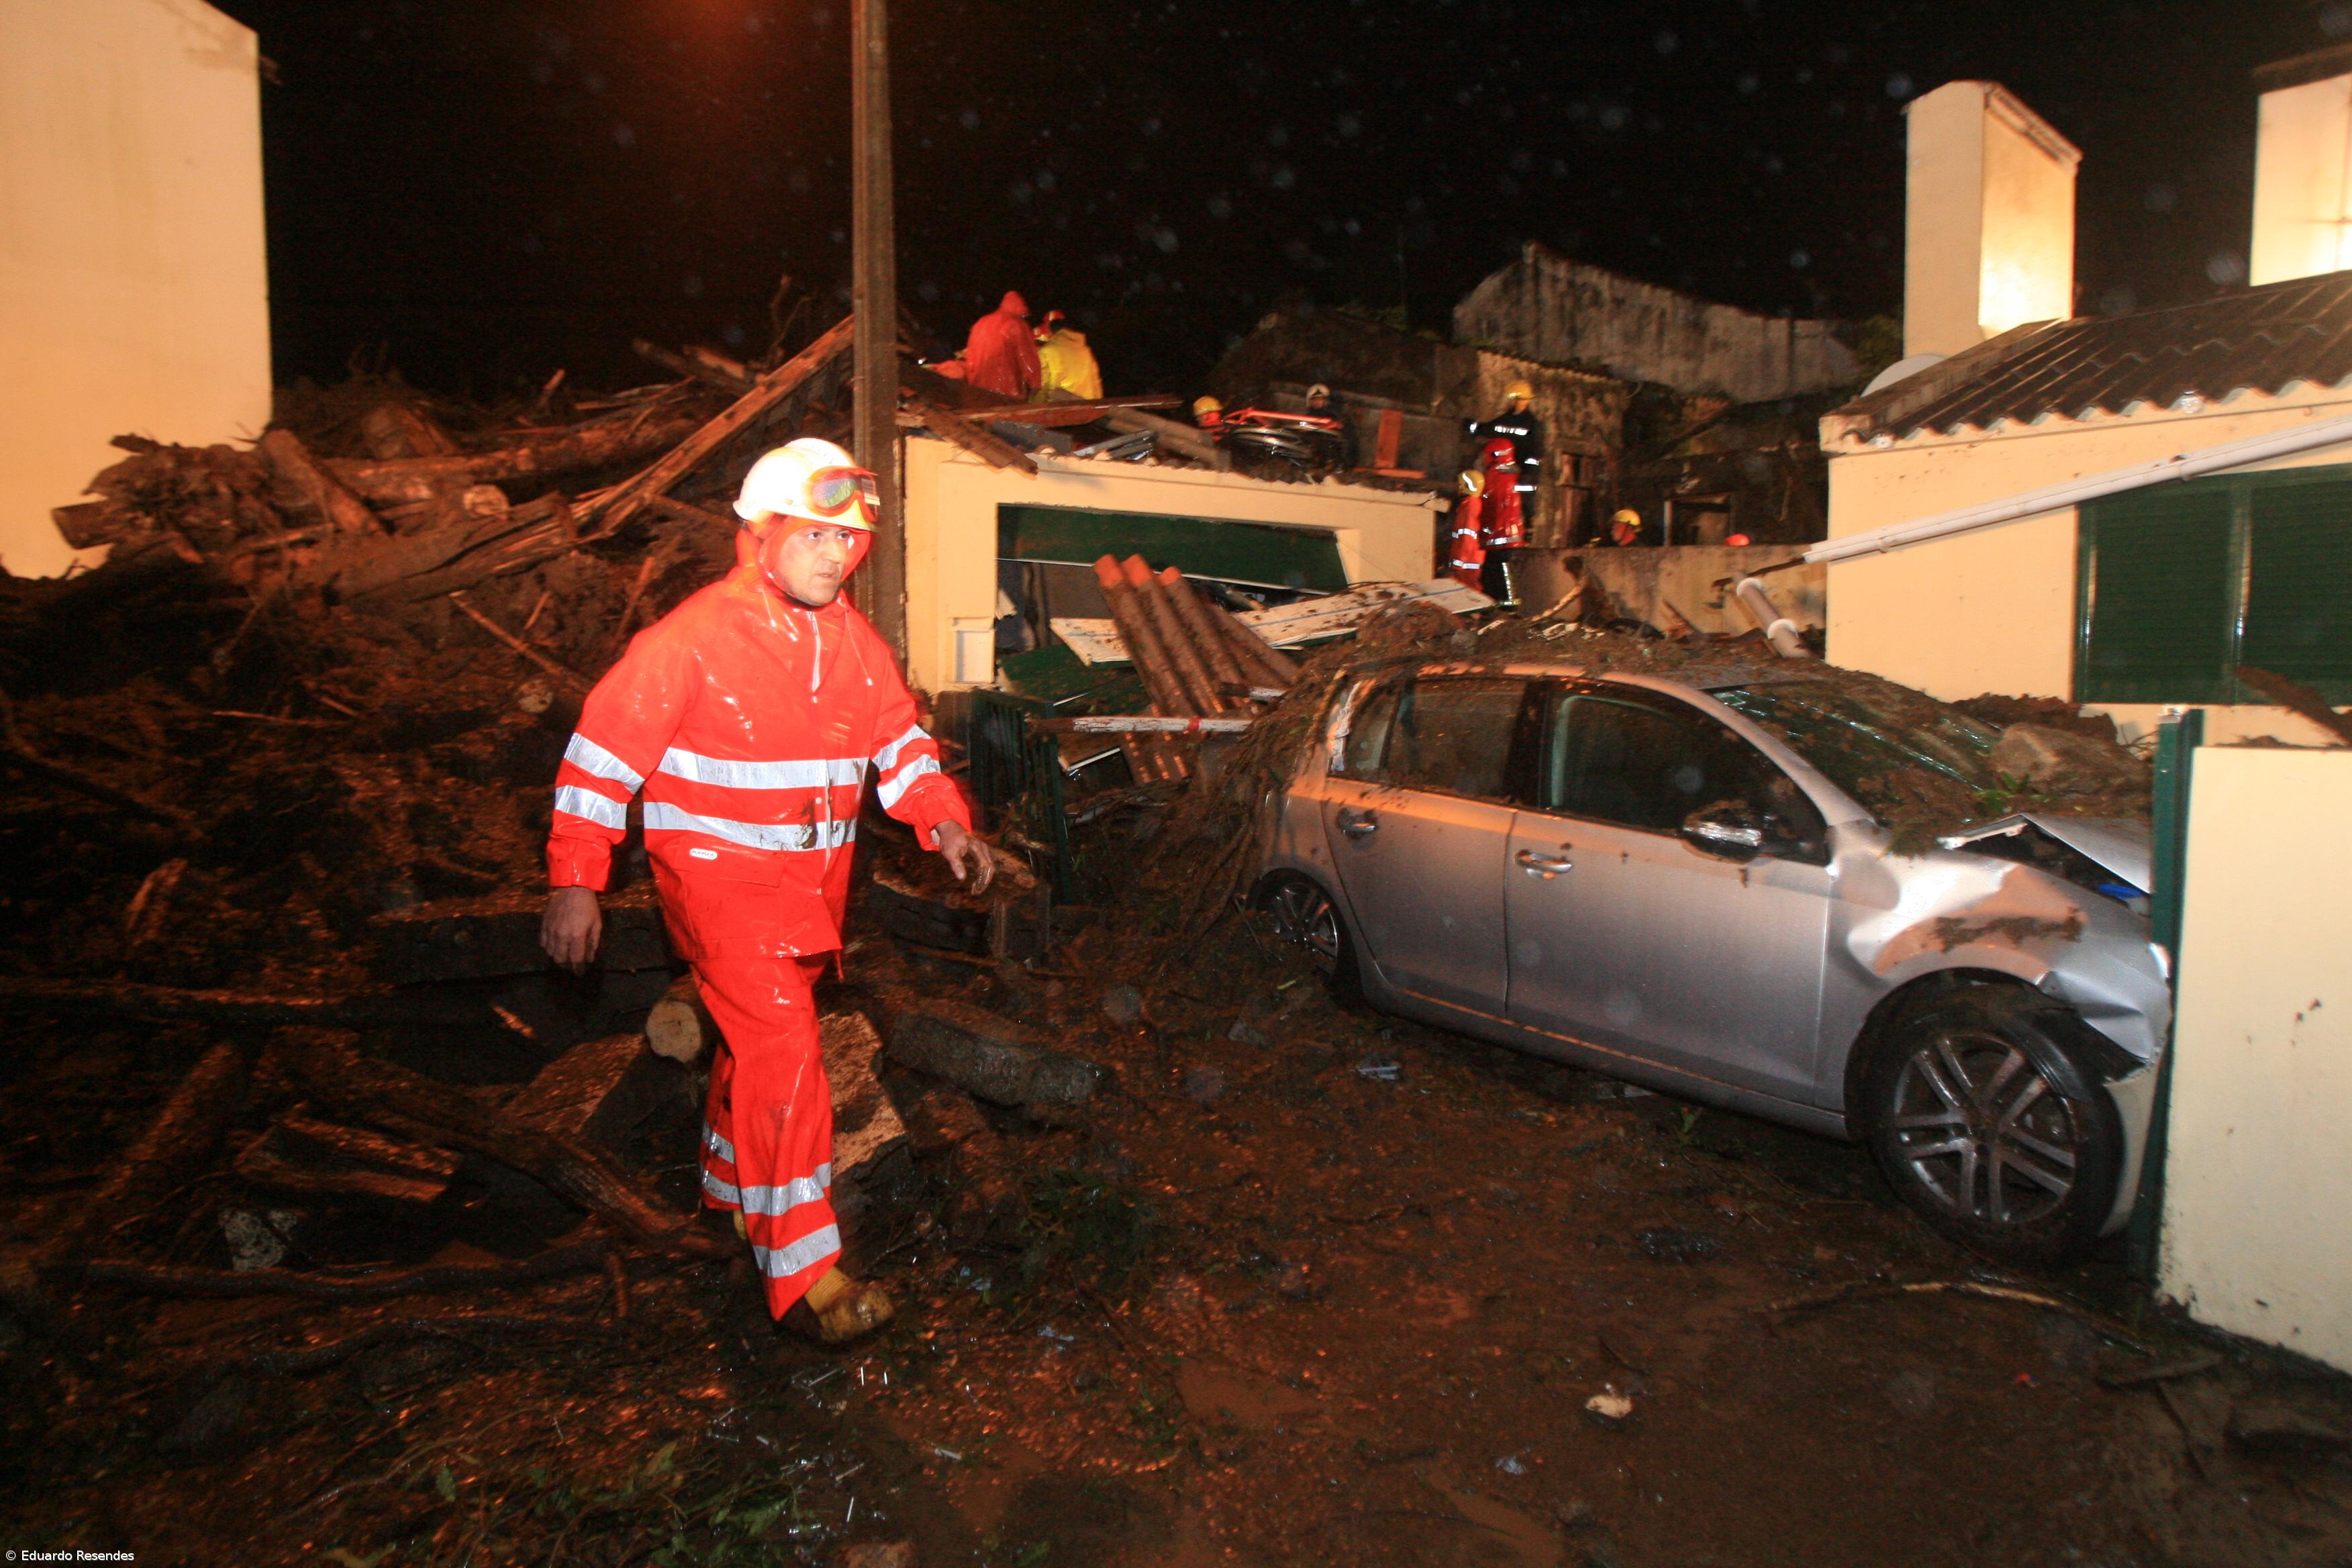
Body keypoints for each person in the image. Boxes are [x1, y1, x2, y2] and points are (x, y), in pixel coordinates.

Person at [541, 438, 992, 1344]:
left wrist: (945, 821)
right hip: (717, 891)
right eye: (818, 535)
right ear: (765, 531)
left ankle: (728, 1190)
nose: (838, 553)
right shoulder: (692, 640)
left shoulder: (853, 646)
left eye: (848, 540)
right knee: (787, 1055)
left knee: (757, 1049)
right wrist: (575, 881)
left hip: (804, 897)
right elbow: (601, 760)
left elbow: (899, 749)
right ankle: (805, 1277)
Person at [1467, 380, 1542, 527]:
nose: (1508, 402)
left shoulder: (1532, 424)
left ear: (1518, 400)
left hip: (1521, 473)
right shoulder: (1505, 419)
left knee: (1521, 505)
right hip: (1503, 473)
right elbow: (1487, 429)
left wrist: (1527, 472)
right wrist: (1471, 426)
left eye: (1511, 399)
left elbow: (1537, 451)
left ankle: (1527, 528)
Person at [1473, 436, 1524, 603]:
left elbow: (1494, 508)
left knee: (1496, 578)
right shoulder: (1508, 475)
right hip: (1505, 538)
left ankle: (1505, 609)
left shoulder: (1497, 477)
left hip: (1499, 537)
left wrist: (1485, 531)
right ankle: (1505, 607)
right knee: (1501, 576)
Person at [963, 291, 1041, 399]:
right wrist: (1035, 383)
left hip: (978, 392)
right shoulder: (1016, 324)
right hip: (1006, 391)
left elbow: (970, 359)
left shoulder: (980, 323)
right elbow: (1027, 356)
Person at [1033, 310, 1103, 401]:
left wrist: (1032, 405)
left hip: (1062, 411)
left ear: (1049, 329)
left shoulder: (1047, 352)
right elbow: (1096, 385)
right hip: (1088, 410)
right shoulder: (1086, 351)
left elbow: (1043, 388)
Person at [1447, 469, 1487, 589]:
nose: (1458, 488)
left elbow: (1467, 535)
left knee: (1468, 593)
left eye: (1460, 485)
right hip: (1471, 560)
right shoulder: (1472, 504)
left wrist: (1459, 562)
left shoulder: (1470, 506)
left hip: (1468, 562)